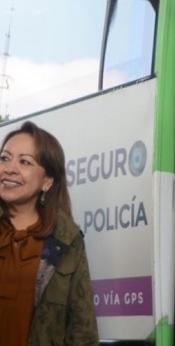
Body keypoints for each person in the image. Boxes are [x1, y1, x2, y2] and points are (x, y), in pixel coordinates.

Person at [0, 121, 98, 345]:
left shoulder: (66, 241)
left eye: (25, 161)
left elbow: (82, 331)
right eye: (4, 158)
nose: (9, 168)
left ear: (47, 181)